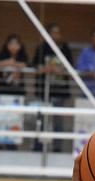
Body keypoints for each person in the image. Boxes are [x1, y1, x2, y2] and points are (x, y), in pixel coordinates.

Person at [33, 22, 74, 152]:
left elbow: (70, 67)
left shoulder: (65, 48)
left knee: (58, 118)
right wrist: (48, 68)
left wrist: (60, 70)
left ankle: (57, 147)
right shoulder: (42, 48)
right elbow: (35, 66)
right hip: (44, 88)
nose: (56, 35)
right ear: (48, 34)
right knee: (42, 117)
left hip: (59, 89)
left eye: (58, 32)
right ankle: (39, 145)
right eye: (53, 32)